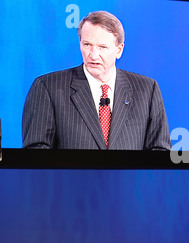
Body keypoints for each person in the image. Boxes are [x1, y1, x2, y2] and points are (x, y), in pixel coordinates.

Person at [22, 11, 171, 150]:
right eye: (87, 45)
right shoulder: (48, 87)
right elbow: (36, 153)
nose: (93, 55)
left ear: (119, 50)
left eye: (102, 47)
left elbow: (159, 152)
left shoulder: (146, 90)